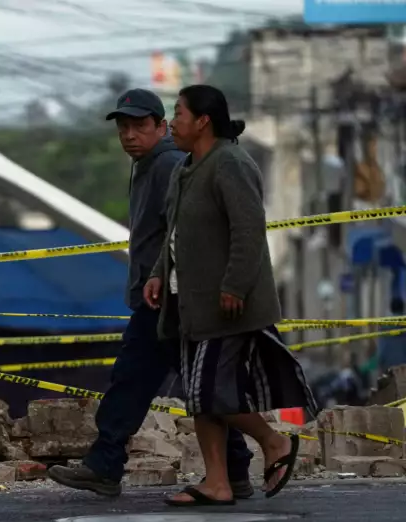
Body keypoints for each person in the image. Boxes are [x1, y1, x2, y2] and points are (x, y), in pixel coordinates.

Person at [47, 88, 254, 498]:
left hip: (168, 299)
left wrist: (168, 282)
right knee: (203, 388)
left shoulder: (169, 164)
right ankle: (236, 470)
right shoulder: (148, 164)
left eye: (140, 126)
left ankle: (105, 464)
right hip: (164, 296)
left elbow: (185, 234)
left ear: (161, 126)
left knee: (133, 378)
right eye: (123, 127)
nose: (129, 135)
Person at [144, 84, 318, 507]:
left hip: (226, 304)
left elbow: (248, 231)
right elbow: (175, 235)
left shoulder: (231, 164)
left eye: (180, 114)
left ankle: (273, 441)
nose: (175, 122)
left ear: (203, 121)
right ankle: (217, 482)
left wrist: (234, 285)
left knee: (209, 393)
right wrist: (156, 274)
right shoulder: (186, 169)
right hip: (189, 303)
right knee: (200, 398)